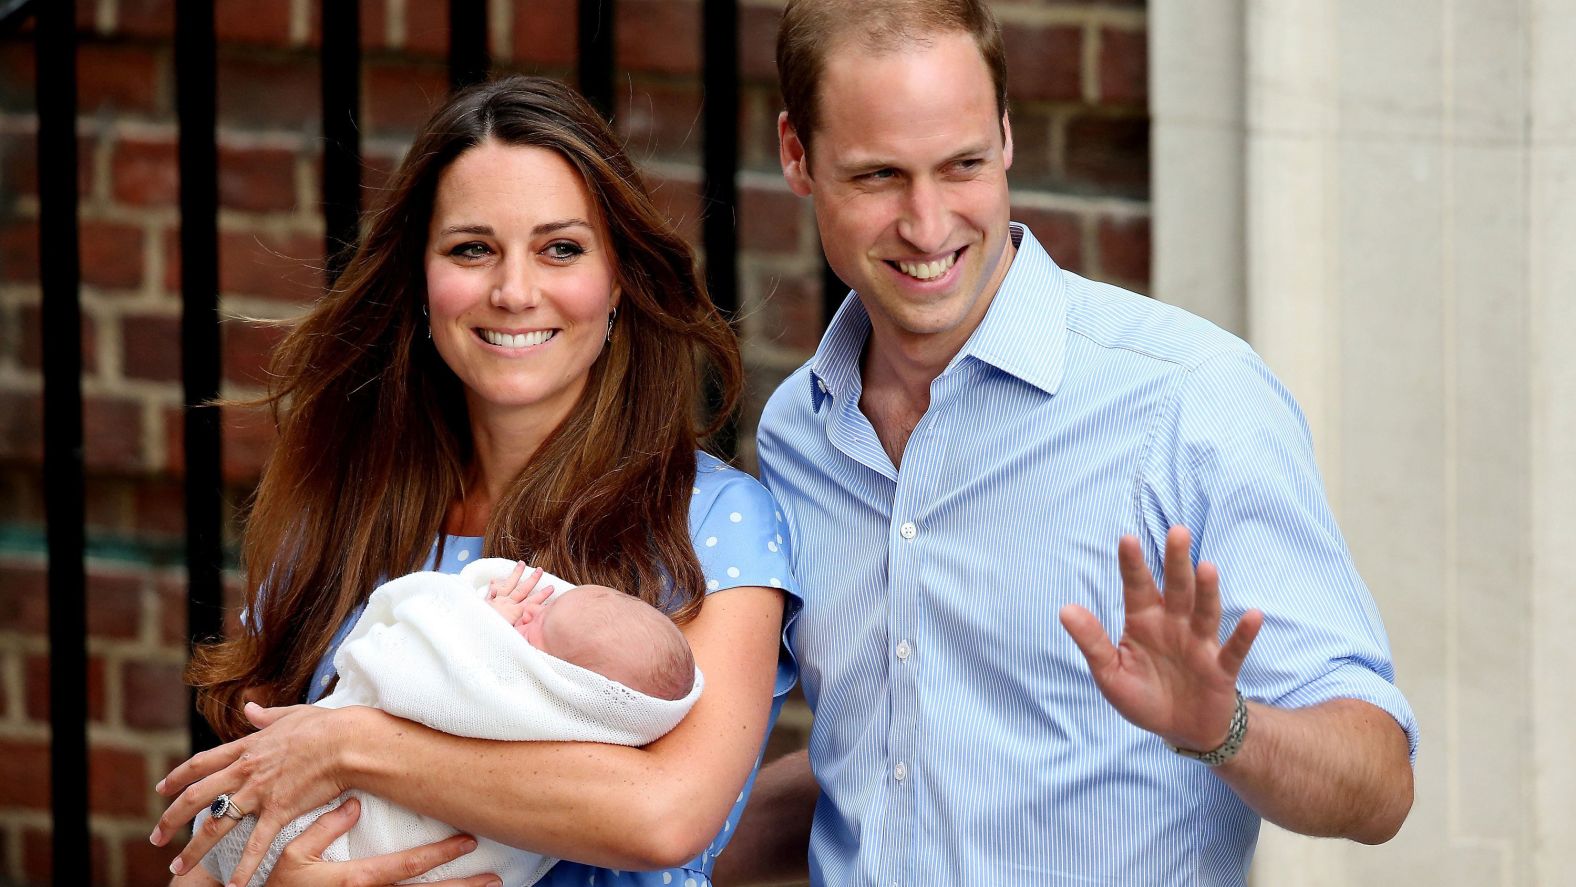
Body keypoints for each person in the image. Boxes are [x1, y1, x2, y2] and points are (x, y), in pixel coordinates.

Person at [717, 1, 1418, 885]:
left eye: (963, 164)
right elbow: (868, 768)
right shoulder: (800, 432)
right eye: (879, 177)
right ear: (796, 154)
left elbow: (1381, 782)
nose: (928, 225)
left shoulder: (1192, 398)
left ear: (1006, 135)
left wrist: (1223, 727)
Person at [150, 75, 800, 887]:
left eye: (561, 248)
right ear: (421, 283)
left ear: (619, 282)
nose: (514, 290)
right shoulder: (339, 516)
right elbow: (222, 836)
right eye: (471, 248)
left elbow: (661, 814)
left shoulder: (713, 521)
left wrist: (350, 745)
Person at [199, 560, 704, 887]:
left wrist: (473, 624)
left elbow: (410, 677)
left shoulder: (528, 705)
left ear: (572, 684)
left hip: (377, 848)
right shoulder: (332, 517)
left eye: (541, 626)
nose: (528, 612)